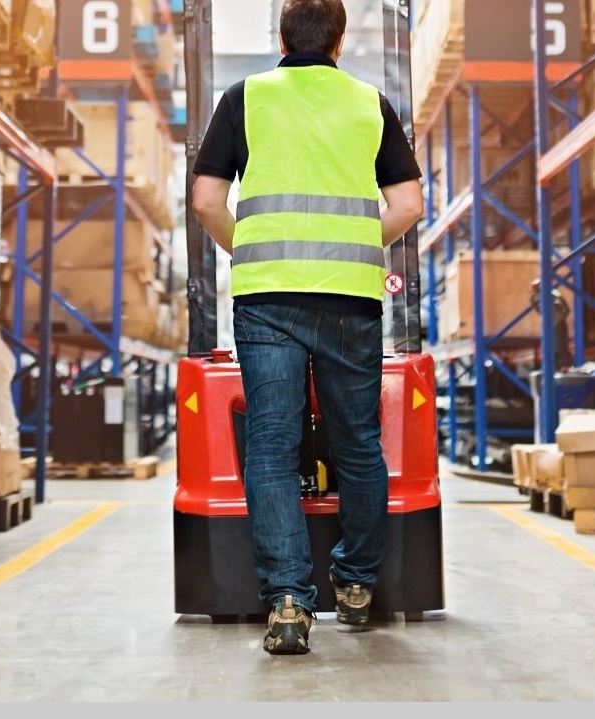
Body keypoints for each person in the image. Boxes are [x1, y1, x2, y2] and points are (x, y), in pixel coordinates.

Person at [191, 0, 424, 655]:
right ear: (339, 42)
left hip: (268, 295)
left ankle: (289, 603)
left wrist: (248, 249)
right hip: (350, 297)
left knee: (271, 447)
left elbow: (206, 199)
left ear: (282, 38)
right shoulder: (370, 104)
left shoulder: (245, 98)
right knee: (358, 444)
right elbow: (408, 202)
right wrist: (355, 245)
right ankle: (356, 584)